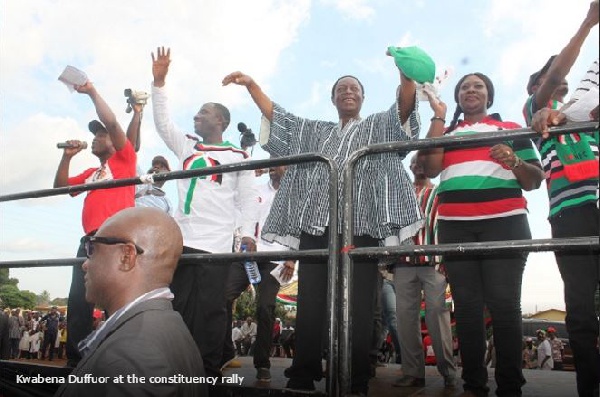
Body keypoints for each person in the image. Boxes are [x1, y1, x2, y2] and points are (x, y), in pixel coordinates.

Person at [222, 45, 432, 395]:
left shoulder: (378, 126)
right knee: (310, 304)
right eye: (341, 90)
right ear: (333, 99)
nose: (348, 92)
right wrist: (252, 86)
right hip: (316, 228)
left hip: (361, 227)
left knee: (362, 306)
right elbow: (281, 119)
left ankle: (357, 377)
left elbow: (403, 111)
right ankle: (303, 373)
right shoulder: (316, 131)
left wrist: (406, 74)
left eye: (354, 89)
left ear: (363, 98)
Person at [417, 73, 545, 397]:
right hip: (455, 227)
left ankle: (510, 387)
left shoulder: (512, 129)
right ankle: (474, 385)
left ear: (490, 96)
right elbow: (429, 168)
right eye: (464, 87)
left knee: (504, 306)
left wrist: (514, 160)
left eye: (478, 86)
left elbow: (533, 180)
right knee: (467, 308)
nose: (470, 90)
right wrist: (439, 114)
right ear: (458, 97)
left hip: (506, 224)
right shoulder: (445, 133)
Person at [151, 46, 259, 378]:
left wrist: (246, 237)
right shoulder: (186, 145)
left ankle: (208, 371)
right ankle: (178, 365)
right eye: (197, 112)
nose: (196, 116)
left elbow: (246, 199)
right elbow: (162, 122)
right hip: (182, 240)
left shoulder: (238, 156)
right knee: (179, 306)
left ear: (221, 121)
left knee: (212, 310)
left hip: (215, 243)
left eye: (203, 112)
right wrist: (159, 82)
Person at [54, 207, 207, 397]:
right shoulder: (169, 325)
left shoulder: (133, 355)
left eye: (92, 249)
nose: (85, 264)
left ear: (126, 256)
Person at [53, 80, 137, 367]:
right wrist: (66, 158)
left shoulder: (125, 161)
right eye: (95, 135)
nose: (96, 139)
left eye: (101, 135)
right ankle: (76, 362)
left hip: (115, 239)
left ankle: (123, 359)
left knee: (118, 300)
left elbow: (112, 121)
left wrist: (91, 92)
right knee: (79, 300)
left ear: (116, 143)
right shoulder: (92, 171)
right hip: (89, 241)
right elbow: (60, 187)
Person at [531, 57, 599, 396]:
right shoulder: (538, 111)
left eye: (565, 80)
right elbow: (543, 110)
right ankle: (589, 387)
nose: (562, 80)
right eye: (549, 79)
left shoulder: (587, 111)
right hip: (570, 215)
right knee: (581, 307)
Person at [221, 165, 294, 382]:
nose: (273, 167)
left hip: (275, 259)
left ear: (289, 167)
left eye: (279, 164)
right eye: (271, 164)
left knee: (265, 308)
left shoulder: (294, 196)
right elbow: (236, 204)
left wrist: (292, 257)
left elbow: (297, 229)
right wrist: (250, 176)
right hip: (248, 254)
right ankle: (225, 353)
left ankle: (262, 364)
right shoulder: (257, 189)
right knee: (224, 296)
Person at [392, 154, 456, 389]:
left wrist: (446, 261)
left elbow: (447, 225)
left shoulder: (441, 192)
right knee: (405, 320)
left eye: (423, 161)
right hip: (403, 263)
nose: (418, 165)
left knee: (438, 316)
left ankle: (448, 371)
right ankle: (413, 372)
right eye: (415, 162)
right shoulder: (400, 194)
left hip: (434, 264)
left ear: (430, 166)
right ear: (410, 166)